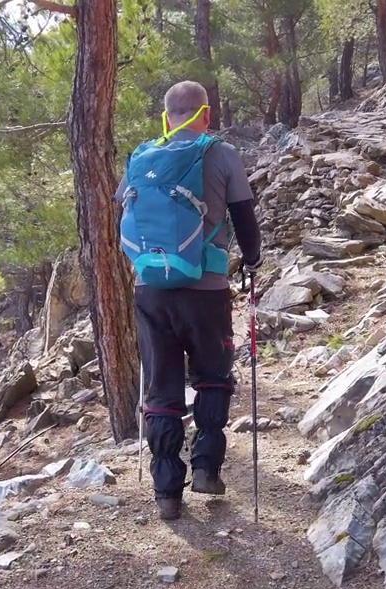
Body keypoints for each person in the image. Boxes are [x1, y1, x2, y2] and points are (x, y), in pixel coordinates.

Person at [116, 81, 263, 521]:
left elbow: (122, 211)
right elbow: (244, 217)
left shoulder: (141, 158)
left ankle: (166, 494)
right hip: (206, 288)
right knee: (213, 376)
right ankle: (205, 470)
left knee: (161, 389)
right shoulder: (219, 153)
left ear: (167, 116)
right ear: (206, 114)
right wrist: (252, 261)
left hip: (150, 290)